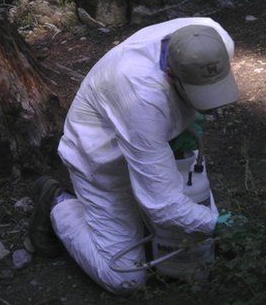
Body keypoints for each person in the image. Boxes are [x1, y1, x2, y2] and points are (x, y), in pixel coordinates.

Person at [27, 17, 243, 294]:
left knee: (191, 226)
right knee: (125, 279)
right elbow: (164, 205)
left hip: (150, 139)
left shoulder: (214, 36)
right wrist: (219, 225)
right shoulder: (140, 97)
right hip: (101, 158)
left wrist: (182, 126)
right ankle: (58, 202)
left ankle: (141, 210)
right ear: (170, 74)